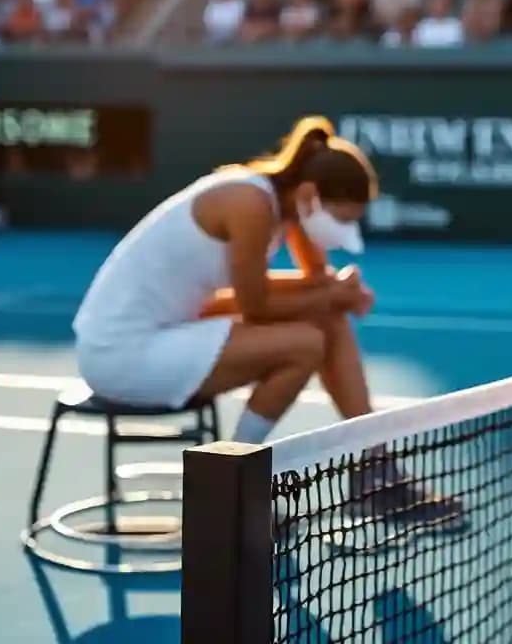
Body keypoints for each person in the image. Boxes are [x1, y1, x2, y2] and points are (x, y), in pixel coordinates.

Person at [72, 116, 379, 445]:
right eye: (342, 218)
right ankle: (234, 469)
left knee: (328, 317)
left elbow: (316, 279)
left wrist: (334, 290)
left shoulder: (285, 202)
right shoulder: (250, 205)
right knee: (305, 345)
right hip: (120, 353)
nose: (343, 229)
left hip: (171, 326)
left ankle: (376, 457)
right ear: (308, 195)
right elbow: (256, 308)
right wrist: (333, 294)